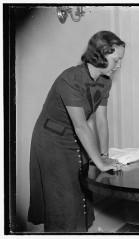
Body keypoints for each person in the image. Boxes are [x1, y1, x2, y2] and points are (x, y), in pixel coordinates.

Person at [28, 31, 125, 232]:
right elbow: (81, 126)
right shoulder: (70, 79)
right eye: (116, 59)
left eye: (121, 60)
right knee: (64, 201)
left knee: (81, 194)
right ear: (99, 55)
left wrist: (104, 157)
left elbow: (101, 120)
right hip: (51, 140)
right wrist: (98, 161)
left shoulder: (105, 80)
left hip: (75, 138)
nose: (119, 65)